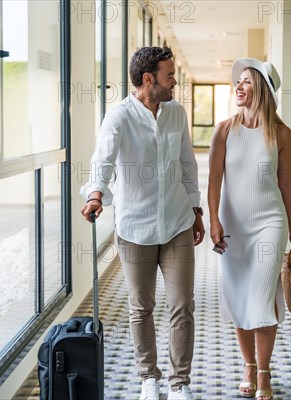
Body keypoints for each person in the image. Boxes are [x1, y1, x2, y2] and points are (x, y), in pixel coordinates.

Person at [80, 46, 205, 400]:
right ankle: (148, 377)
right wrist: (95, 195)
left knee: (182, 304)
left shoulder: (176, 113)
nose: (174, 81)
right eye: (169, 75)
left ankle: (180, 383)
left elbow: (187, 165)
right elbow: (101, 162)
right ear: (148, 79)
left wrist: (196, 211)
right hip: (135, 228)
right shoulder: (118, 117)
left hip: (178, 222)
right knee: (141, 307)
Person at [207, 58, 291, 400]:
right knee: (238, 296)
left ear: (261, 88)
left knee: (262, 296)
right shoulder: (223, 130)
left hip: (269, 223)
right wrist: (214, 220)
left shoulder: (281, 134)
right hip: (233, 225)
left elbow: (287, 184)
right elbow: (215, 180)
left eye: (246, 81)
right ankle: (248, 365)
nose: (239, 86)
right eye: (238, 81)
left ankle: (263, 371)